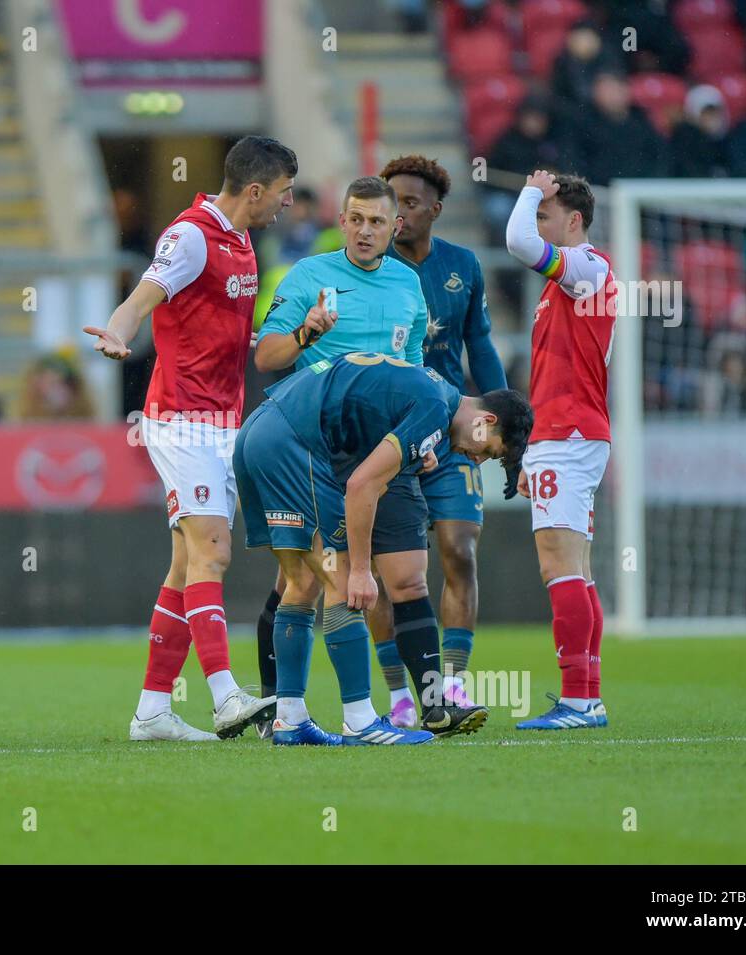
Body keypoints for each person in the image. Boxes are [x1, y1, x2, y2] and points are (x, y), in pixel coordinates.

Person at [83, 135, 296, 742]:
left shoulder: (244, 241)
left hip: (223, 420)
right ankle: (225, 696)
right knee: (214, 550)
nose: (285, 204)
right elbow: (141, 298)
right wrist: (118, 332)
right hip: (179, 418)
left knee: (186, 565)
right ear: (255, 190)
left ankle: (152, 709)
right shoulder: (193, 235)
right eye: (280, 194)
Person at [234, 353, 531, 744]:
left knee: (301, 582)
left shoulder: (433, 390)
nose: (476, 460)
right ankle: (360, 721)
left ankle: (290, 718)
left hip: (259, 431)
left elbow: (363, 405)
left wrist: (410, 455)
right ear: (486, 420)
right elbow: (361, 485)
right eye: (489, 451)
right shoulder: (432, 407)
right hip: (293, 442)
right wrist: (360, 569)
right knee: (341, 580)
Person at [250, 175, 432, 732]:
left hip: (386, 450)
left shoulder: (408, 284)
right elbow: (266, 355)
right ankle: (315, 711)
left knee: (405, 580)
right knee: (310, 582)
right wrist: (306, 334)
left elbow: (418, 366)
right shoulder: (310, 276)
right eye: (355, 219)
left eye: (377, 221)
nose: (365, 231)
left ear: (395, 226)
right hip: (317, 450)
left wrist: (422, 437)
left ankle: (432, 702)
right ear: (342, 220)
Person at [382, 155, 510, 725]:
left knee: (459, 549)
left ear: (435, 209)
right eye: (392, 203)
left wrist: (503, 413)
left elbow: (479, 346)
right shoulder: (368, 267)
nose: (399, 214)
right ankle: (402, 696)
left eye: (410, 203)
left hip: (454, 431)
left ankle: (452, 688)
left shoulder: (463, 266)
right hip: (387, 434)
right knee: (392, 571)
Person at [505, 170, 617, 731]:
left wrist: (530, 188)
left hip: (570, 436)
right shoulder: (564, 284)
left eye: (545, 214)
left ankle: (577, 700)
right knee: (578, 568)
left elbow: (517, 241)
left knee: (558, 566)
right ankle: (587, 697)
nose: (537, 226)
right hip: (562, 435)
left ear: (574, 221)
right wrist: (530, 450)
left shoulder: (589, 268)